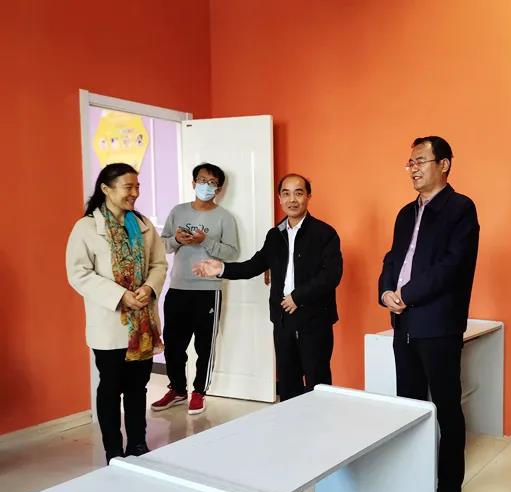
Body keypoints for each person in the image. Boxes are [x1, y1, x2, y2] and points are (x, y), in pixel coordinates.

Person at [378, 136, 479, 492]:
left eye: (421, 160)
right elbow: (392, 258)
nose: (413, 168)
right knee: (409, 406)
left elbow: (452, 266)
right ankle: (412, 479)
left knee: (446, 408)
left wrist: (407, 293)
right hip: (403, 322)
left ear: (444, 164)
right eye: (410, 162)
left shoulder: (460, 209)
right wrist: (385, 291)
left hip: (438, 325)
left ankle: (448, 488)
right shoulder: (405, 213)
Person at [193, 174, 343, 402]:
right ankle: (291, 422)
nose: (292, 199)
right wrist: (222, 268)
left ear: (308, 196)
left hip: (315, 320)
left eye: (298, 193)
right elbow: (254, 265)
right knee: (288, 382)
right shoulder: (275, 235)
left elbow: (331, 275)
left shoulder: (325, 233)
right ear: (279, 198)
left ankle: (320, 423)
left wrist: (298, 297)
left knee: (317, 381)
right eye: (286, 193)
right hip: (283, 319)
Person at [66, 162, 167, 463]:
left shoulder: (143, 225)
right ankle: (113, 450)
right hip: (110, 325)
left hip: (143, 324)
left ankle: (137, 444)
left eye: (138, 186)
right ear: (106, 189)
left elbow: (159, 264)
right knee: (110, 388)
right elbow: (79, 273)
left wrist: (149, 287)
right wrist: (120, 295)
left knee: (138, 387)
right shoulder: (86, 228)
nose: (135, 193)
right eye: (128, 187)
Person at [151, 163, 240, 415]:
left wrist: (206, 241)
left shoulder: (224, 217)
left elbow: (232, 253)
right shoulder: (178, 211)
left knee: (204, 346)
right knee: (173, 344)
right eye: (202, 180)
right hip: (178, 287)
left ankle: (199, 392)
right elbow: (161, 246)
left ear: (218, 189)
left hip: (208, 290)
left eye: (212, 183)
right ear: (193, 183)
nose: (206, 186)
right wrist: (177, 239)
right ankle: (178, 389)